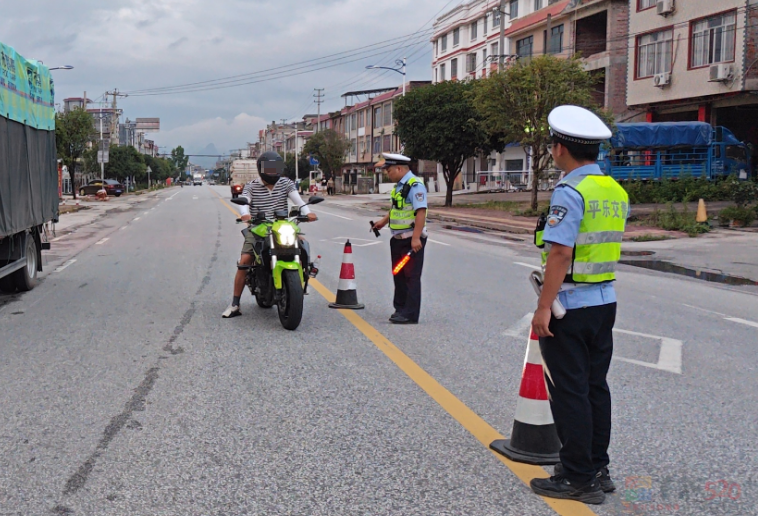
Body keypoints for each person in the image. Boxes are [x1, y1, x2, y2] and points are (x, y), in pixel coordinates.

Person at [529, 105, 629, 504]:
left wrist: (542, 307)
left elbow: (559, 255)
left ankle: (577, 478)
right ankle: (597, 468)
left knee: (570, 392)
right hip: (605, 301)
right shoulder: (613, 190)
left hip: (570, 306)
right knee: (594, 388)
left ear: (559, 150)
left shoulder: (570, 191)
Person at [222, 151, 317, 318]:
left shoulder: (286, 183)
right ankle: (235, 304)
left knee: (302, 246)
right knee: (245, 260)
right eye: (269, 169)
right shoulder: (251, 185)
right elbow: (244, 201)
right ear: (261, 169)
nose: (273, 172)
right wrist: (245, 214)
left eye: (275, 169)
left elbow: (299, 202)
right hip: (259, 227)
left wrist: (308, 212)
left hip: (282, 226)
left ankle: (303, 279)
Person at [371, 153, 428, 324]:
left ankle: (410, 314)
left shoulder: (415, 185)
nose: (388, 174)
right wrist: (383, 221)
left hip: (411, 239)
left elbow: (421, 211)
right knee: (399, 275)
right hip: (397, 239)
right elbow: (396, 208)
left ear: (399, 168)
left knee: (411, 277)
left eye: (389, 170)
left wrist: (416, 238)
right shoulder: (399, 186)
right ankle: (400, 308)